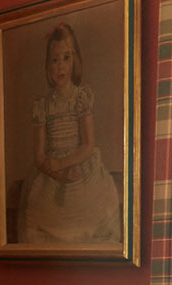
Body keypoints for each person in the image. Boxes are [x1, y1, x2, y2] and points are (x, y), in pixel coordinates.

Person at [22, 22, 120, 246]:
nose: (60, 67)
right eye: (54, 60)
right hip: (53, 174)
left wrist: (64, 163)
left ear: (75, 60)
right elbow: (38, 157)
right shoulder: (43, 105)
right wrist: (56, 172)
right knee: (39, 216)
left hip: (79, 166)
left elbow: (88, 145)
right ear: (48, 65)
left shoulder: (81, 98)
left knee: (95, 210)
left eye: (65, 58)